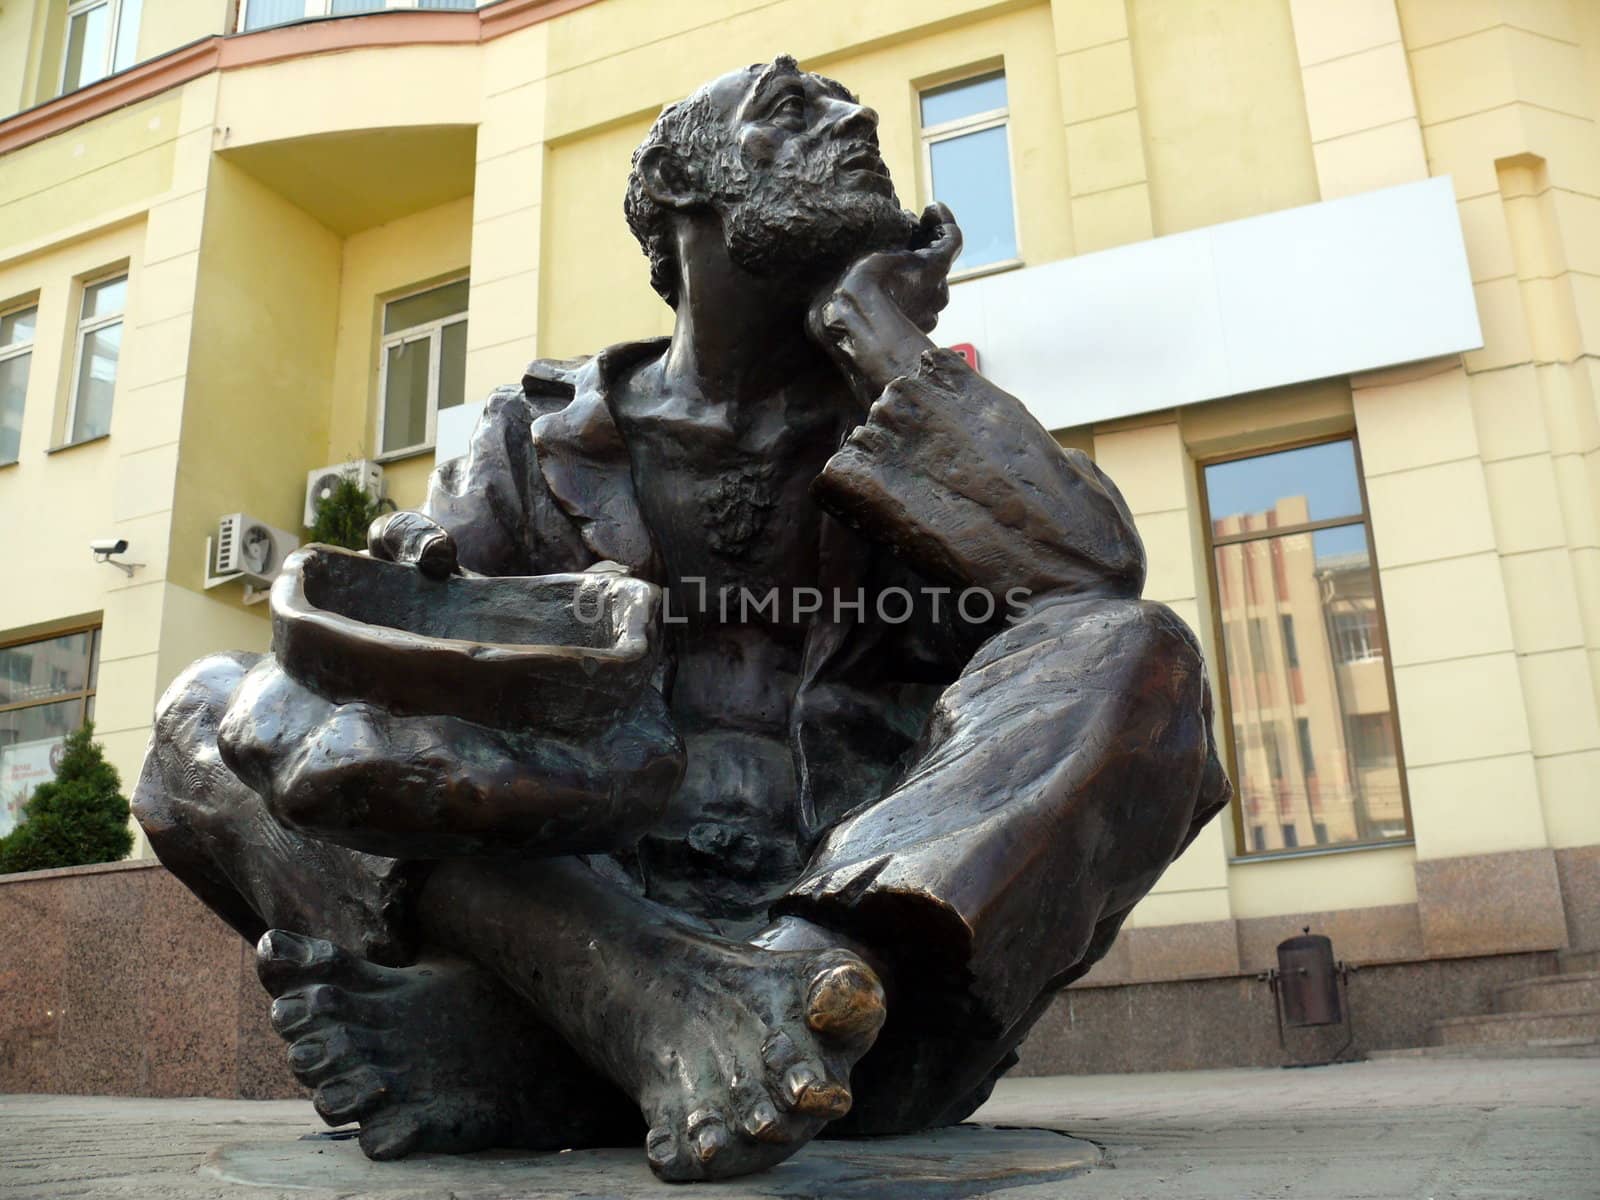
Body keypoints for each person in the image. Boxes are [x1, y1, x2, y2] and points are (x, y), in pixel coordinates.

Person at [134, 56, 1230, 1183]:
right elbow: (389, 675)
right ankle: (648, 1000)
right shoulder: (537, 436)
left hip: (873, 944)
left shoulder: (919, 423)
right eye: (793, 111)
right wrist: (426, 597)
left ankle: (703, 1022)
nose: (854, 120)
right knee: (205, 718)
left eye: (851, 110)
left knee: (1136, 650)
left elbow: (1089, 575)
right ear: (679, 193)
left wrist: (884, 340)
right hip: (582, 894)